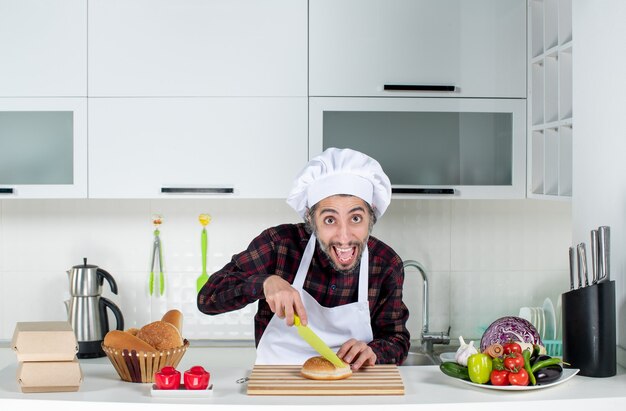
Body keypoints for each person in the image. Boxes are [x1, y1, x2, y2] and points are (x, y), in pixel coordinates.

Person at [197, 147, 410, 369]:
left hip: (351, 390)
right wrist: (264, 283)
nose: (344, 236)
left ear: (371, 217)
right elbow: (207, 299)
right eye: (329, 220)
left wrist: (374, 351)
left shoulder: (386, 264)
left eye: (356, 218)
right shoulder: (279, 244)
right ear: (311, 218)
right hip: (277, 387)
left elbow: (397, 340)